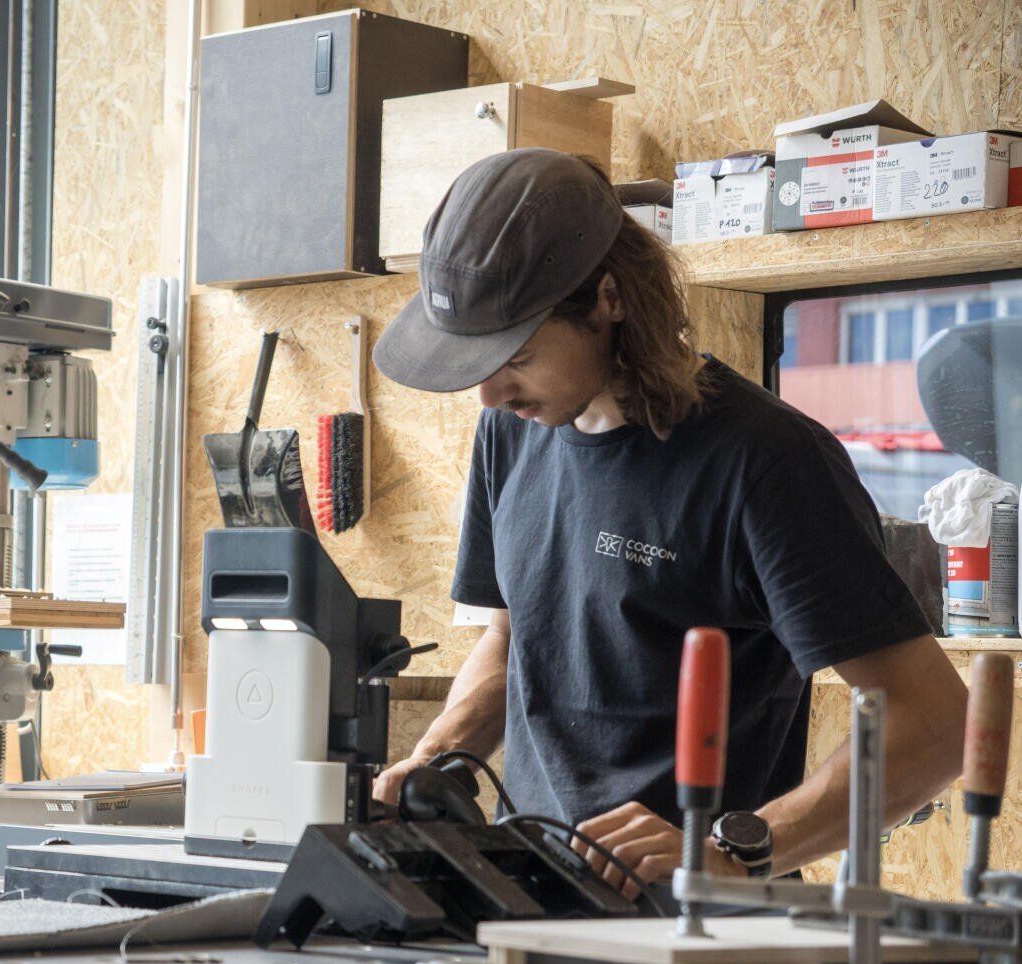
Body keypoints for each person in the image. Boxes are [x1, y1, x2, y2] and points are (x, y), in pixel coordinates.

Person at [369, 148, 967, 896]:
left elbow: (936, 724)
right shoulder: (512, 431)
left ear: (609, 299)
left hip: (697, 924)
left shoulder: (766, 462)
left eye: (515, 354)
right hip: (527, 894)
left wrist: (731, 852)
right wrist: (439, 759)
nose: (488, 394)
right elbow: (513, 636)